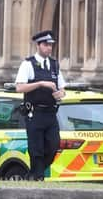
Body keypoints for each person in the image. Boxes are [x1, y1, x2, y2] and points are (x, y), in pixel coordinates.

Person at [15, 29, 66, 181]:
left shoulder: (54, 65)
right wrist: (40, 84)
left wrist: (60, 94)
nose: (49, 48)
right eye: (46, 45)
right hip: (34, 114)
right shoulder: (28, 64)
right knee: (36, 149)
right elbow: (19, 87)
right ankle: (38, 178)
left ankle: (34, 174)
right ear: (38, 45)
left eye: (51, 45)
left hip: (50, 114)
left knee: (53, 145)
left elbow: (62, 88)